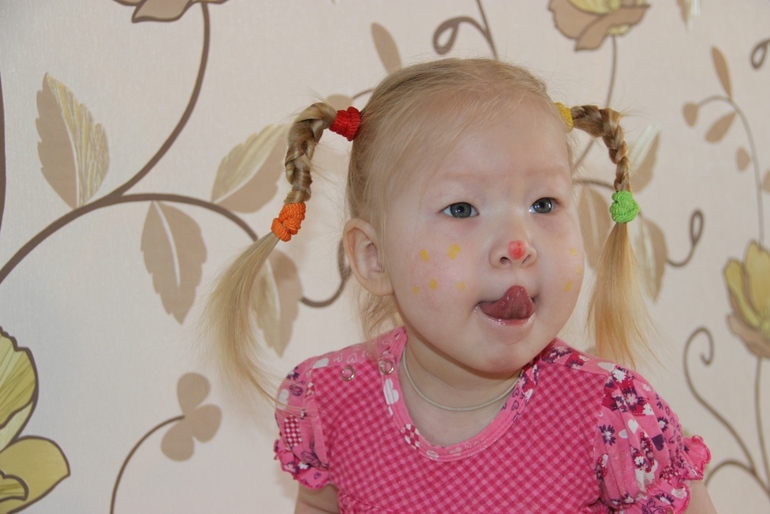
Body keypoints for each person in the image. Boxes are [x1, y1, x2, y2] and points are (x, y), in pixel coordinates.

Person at [206, 58, 716, 513]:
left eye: (543, 204)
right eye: (462, 209)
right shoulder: (332, 402)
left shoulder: (611, 415)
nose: (517, 245)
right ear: (375, 258)